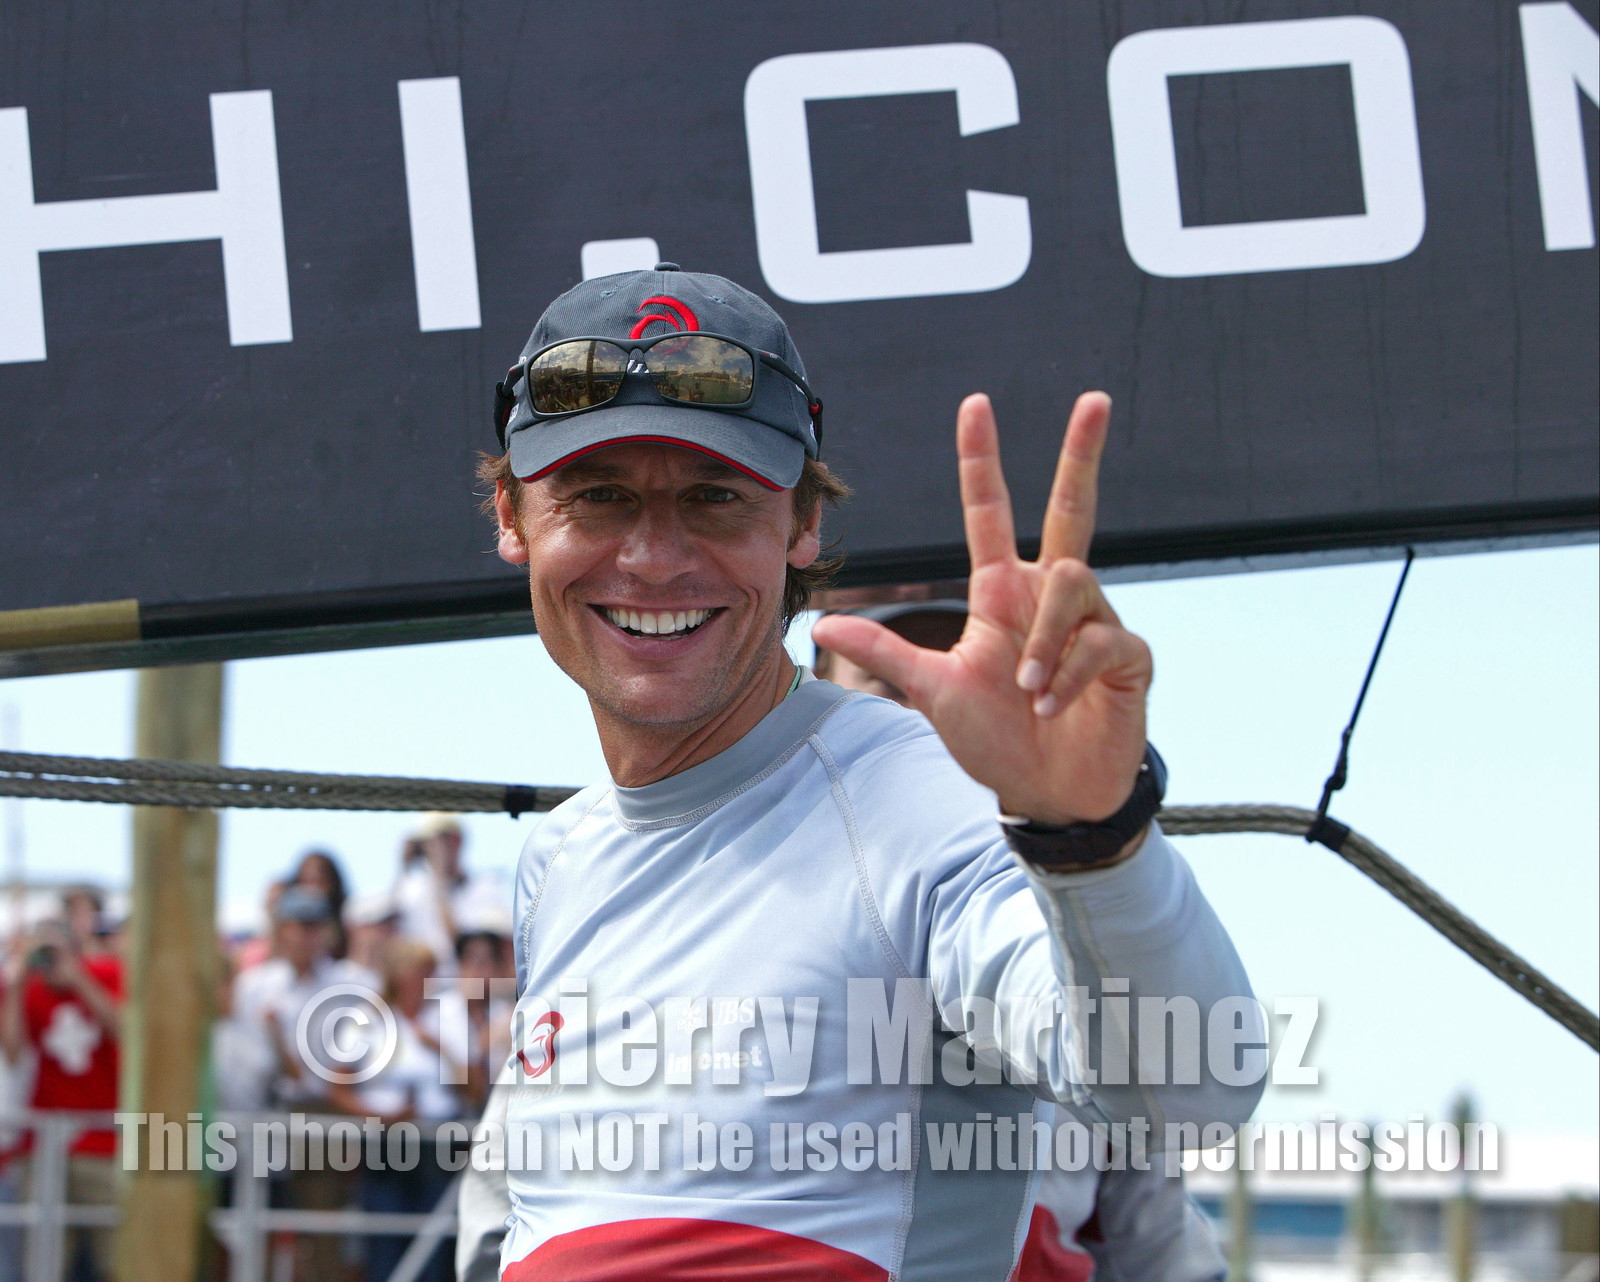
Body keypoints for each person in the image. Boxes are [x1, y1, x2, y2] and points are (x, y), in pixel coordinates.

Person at [473, 264, 1261, 1279]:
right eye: (599, 495)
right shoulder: (561, 856)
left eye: (715, 498)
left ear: (802, 525)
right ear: (512, 514)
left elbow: (1182, 1093)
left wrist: (1094, 839)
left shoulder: (915, 804)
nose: (656, 556)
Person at [817, 602, 1226, 1280]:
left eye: (966, 683)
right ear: (818, 681)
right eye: (894, 687)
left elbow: (1161, 1246)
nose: (934, 721)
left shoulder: (1086, 946)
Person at [0, 908, 124, 1282]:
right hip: (45, 1143)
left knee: (116, 1259)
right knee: (45, 1261)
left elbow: (126, 1032)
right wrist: (20, 980)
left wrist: (80, 981)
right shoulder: (25, 989)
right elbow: (13, 1051)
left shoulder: (106, 975)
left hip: (103, 1143)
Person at [328, 939, 462, 1282]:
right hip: (385, 1144)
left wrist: (439, 1047)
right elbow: (338, 1089)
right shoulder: (366, 1022)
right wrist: (380, 1116)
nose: (428, 981)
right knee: (385, 1241)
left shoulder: (449, 1014)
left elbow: (473, 1088)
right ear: (400, 976)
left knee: (434, 1245)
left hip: (438, 1146)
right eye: (421, 973)